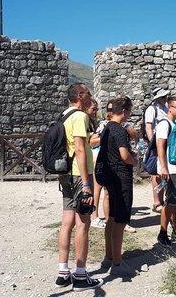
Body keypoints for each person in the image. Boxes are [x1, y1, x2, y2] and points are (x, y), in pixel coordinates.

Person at [55, 83, 103, 291]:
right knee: (83, 223)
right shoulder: (80, 117)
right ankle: (81, 275)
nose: (91, 98)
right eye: (89, 94)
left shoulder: (64, 114)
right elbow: (81, 150)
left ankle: (63, 271)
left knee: (67, 222)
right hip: (78, 174)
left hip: (65, 174)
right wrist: (86, 184)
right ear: (81, 96)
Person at [98, 97, 140, 277]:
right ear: (124, 111)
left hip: (110, 176)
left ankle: (109, 256)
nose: (129, 115)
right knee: (120, 221)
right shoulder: (120, 131)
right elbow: (124, 155)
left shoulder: (107, 127)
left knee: (112, 219)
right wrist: (135, 160)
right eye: (129, 112)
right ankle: (117, 263)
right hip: (121, 177)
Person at [156, 95, 176, 246]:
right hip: (169, 169)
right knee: (170, 201)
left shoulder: (174, 124)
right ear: (169, 108)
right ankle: (162, 232)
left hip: (175, 168)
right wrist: (164, 167)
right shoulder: (164, 124)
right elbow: (160, 146)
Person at [143, 87, 169, 213]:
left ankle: (162, 200)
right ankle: (156, 202)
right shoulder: (151, 109)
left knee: (162, 172)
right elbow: (149, 127)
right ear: (158, 98)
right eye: (164, 97)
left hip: (165, 143)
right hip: (157, 144)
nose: (166, 98)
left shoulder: (165, 108)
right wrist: (153, 143)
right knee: (155, 173)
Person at [88, 99, 110, 229]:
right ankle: (94, 216)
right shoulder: (88, 122)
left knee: (100, 188)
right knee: (97, 188)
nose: (95, 112)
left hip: (96, 157)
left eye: (97, 109)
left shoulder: (93, 122)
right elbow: (91, 141)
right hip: (94, 158)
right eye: (93, 109)